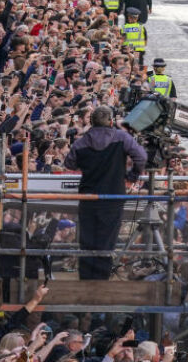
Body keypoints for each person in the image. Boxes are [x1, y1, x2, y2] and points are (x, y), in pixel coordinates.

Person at [63, 106, 148, 279]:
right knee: (107, 241)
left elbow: (69, 163)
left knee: (87, 239)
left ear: (92, 122)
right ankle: (101, 280)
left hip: (88, 197)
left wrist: (87, 164)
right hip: (113, 196)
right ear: (111, 121)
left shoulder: (81, 142)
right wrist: (132, 176)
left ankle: (86, 279)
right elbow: (142, 157)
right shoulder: (122, 137)